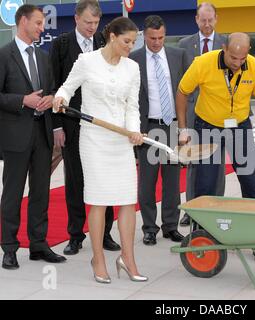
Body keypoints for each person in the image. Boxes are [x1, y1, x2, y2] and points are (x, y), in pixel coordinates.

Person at [53, 17, 147, 283]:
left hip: (121, 141)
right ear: (113, 37)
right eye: (127, 41)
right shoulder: (87, 61)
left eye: (133, 42)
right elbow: (67, 88)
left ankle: (128, 259)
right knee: (98, 201)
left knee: (128, 201)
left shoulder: (132, 68)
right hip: (94, 140)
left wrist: (134, 130)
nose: (131, 46)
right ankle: (98, 258)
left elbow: (132, 107)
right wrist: (61, 99)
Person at [176, 32, 255, 261]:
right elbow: (182, 92)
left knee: (250, 181)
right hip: (208, 126)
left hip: (239, 126)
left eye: (242, 58)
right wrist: (183, 128)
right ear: (224, 48)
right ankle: (201, 239)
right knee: (206, 184)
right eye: (233, 58)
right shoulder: (203, 63)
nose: (238, 63)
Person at [49, 0, 120, 256]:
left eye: (96, 23)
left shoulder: (105, 43)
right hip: (71, 124)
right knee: (76, 182)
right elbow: (54, 86)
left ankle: (105, 234)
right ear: (76, 18)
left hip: (102, 125)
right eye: (88, 22)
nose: (92, 27)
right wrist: (57, 125)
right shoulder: (62, 45)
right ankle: (76, 235)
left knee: (104, 179)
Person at [0, 4, 66, 270]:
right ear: (23, 21)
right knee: (13, 194)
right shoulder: (4, 55)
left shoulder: (43, 56)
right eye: (38, 23)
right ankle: (9, 248)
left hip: (42, 135)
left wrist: (51, 99)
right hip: (15, 137)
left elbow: (51, 91)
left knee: (41, 193)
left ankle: (38, 245)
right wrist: (22, 100)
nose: (42, 27)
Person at [130, 15, 188, 246]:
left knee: (172, 182)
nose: (157, 42)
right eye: (152, 38)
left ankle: (171, 226)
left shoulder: (178, 56)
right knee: (147, 182)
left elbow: (187, 94)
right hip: (149, 127)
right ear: (144, 35)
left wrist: (185, 128)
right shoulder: (133, 60)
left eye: (161, 37)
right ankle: (149, 228)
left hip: (173, 126)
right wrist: (135, 129)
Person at [177, 2, 227, 227]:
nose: (207, 24)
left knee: (216, 163)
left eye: (210, 20)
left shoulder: (227, 44)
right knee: (193, 162)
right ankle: (192, 209)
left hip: (217, 115)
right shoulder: (184, 45)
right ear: (196, 20)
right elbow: (181, 85)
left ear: (216, 19)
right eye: (202, 20)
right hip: (192, 113)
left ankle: (215, 205)